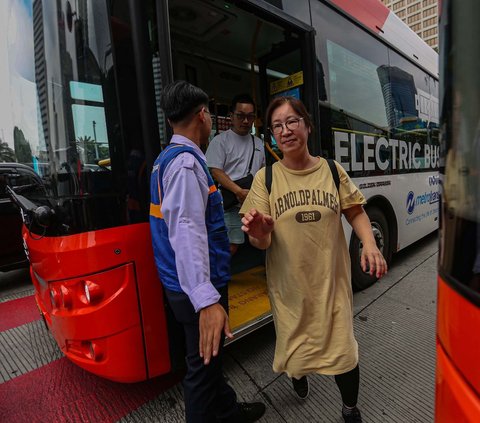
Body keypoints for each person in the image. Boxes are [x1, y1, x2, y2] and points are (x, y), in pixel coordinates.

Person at [240, 96, 387, 423]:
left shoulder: (332, 171)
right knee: (296, 356)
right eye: (277, 125)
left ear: (307, 125)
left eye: (292, 121)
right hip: (290, 292)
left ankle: (350, 410)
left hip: (331, 286)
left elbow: (356, 212)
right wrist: (260, 232)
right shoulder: (266, 179)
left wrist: (369, 243)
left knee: (344, 354)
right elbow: (259, 241)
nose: (285, 130)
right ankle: (298, 376)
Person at [149, 80, 265, 423]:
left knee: (210, 358)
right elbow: (187, 233)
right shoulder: (186, 166)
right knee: (201, 367)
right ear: (202, 115)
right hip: (198, 287)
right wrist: (207, 300)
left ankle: (227, 410)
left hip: (182, 283)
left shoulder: (165, 159)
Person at [206, 94, 265, 255]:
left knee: (262, 238)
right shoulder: (220, 141)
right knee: (231, 245)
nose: (245, 121)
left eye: (250, 116)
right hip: (231, 201)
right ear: (231, 116)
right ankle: (220, 278)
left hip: (254, 201)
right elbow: (215, 171)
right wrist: (238, 191)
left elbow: (262, 171)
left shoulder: (258, 143)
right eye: (240, 116)